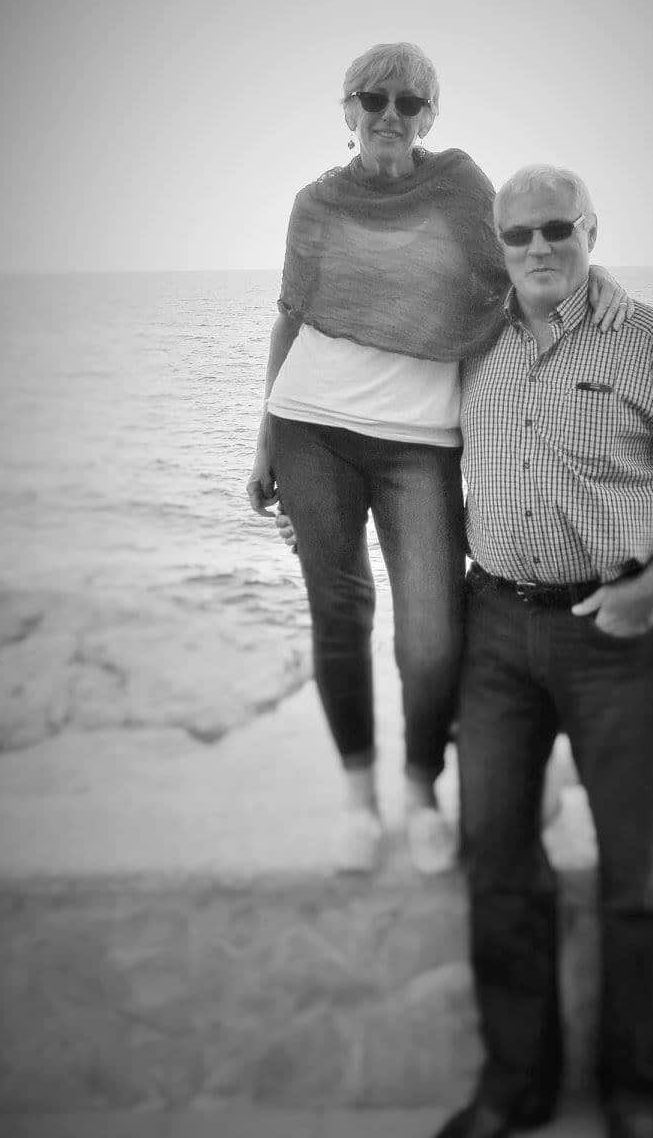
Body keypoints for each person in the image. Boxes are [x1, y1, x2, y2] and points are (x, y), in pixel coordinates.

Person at [425, 165, 653, 1138]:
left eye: (556, 228)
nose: (537, 249)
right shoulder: (472, 344)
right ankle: (515, 1085)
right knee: (497, 860)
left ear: (591, 230)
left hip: (615, 634)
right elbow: (398, 450)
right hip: (494, 631)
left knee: (634, 874)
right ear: (496, 245)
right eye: (516, 234)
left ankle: (637, 1100)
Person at [246, 44, 629, 876]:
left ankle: (421, 791)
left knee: (431, 636)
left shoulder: (459, 188)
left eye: (408, 101)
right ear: (348, 110)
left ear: (429, 116)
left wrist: (595, 285)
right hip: (311, 430)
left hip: (419, 443)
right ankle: (360, 800)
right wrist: (266, 440)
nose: (389, 113)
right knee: (340, 616)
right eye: (372, 97)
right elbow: (290, 318)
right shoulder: (315, 204)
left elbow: (524, 265)